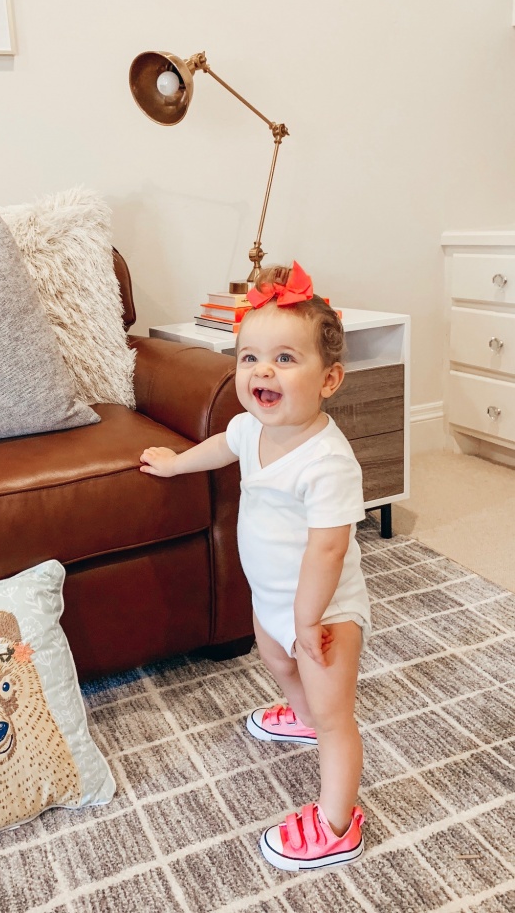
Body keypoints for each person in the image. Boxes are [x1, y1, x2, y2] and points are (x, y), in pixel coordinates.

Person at [140, 261, 370, 872]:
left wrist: (305, 618)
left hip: (322, 611)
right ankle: (297, 714)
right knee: (273, 660)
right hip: (273, 599)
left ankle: (337, 822)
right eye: (249, 358)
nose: (262, 371)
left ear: (330, 379)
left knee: (333, 714)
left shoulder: (328, 463)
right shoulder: (250, 427)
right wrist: (176, 463)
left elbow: (329, 549)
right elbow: (224, 446)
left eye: (286, 359)